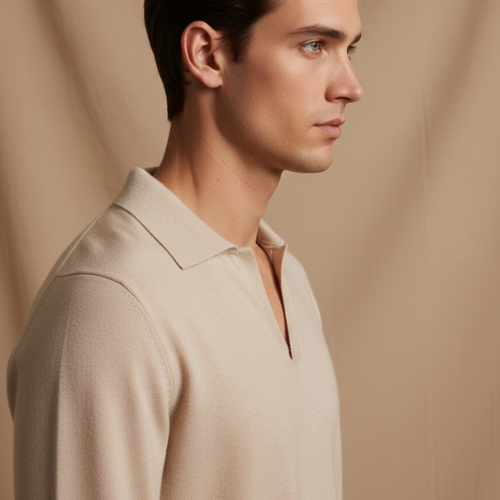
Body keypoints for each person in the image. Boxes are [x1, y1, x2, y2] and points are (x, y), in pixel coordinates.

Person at [7, 0, 363, 497]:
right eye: (314, 45)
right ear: (206, 55)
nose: (350, 87)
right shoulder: (109, 301)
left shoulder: (289, 278)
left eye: (349, 50)